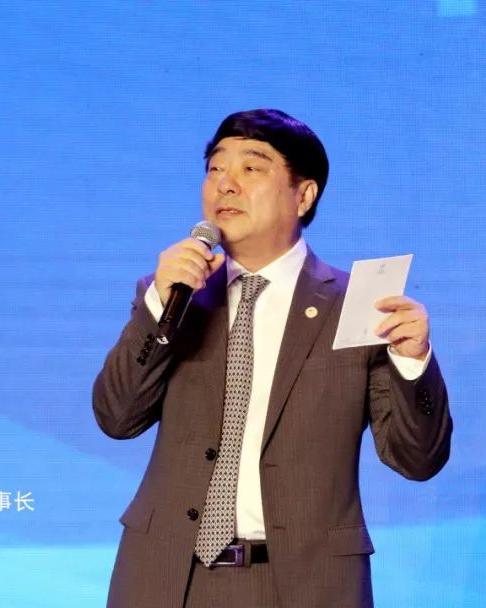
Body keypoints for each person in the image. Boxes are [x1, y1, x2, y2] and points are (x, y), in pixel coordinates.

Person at [92, 109, 452, 608]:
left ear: (304, 195)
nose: (226, 184)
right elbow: (116, 418)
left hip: (305, 586)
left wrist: (413, 363)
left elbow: (417, 460)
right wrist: (157, 309)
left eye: (251, 168)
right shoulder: (175, 295)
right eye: (215, 169)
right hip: (167, 580)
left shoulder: (357, 304)